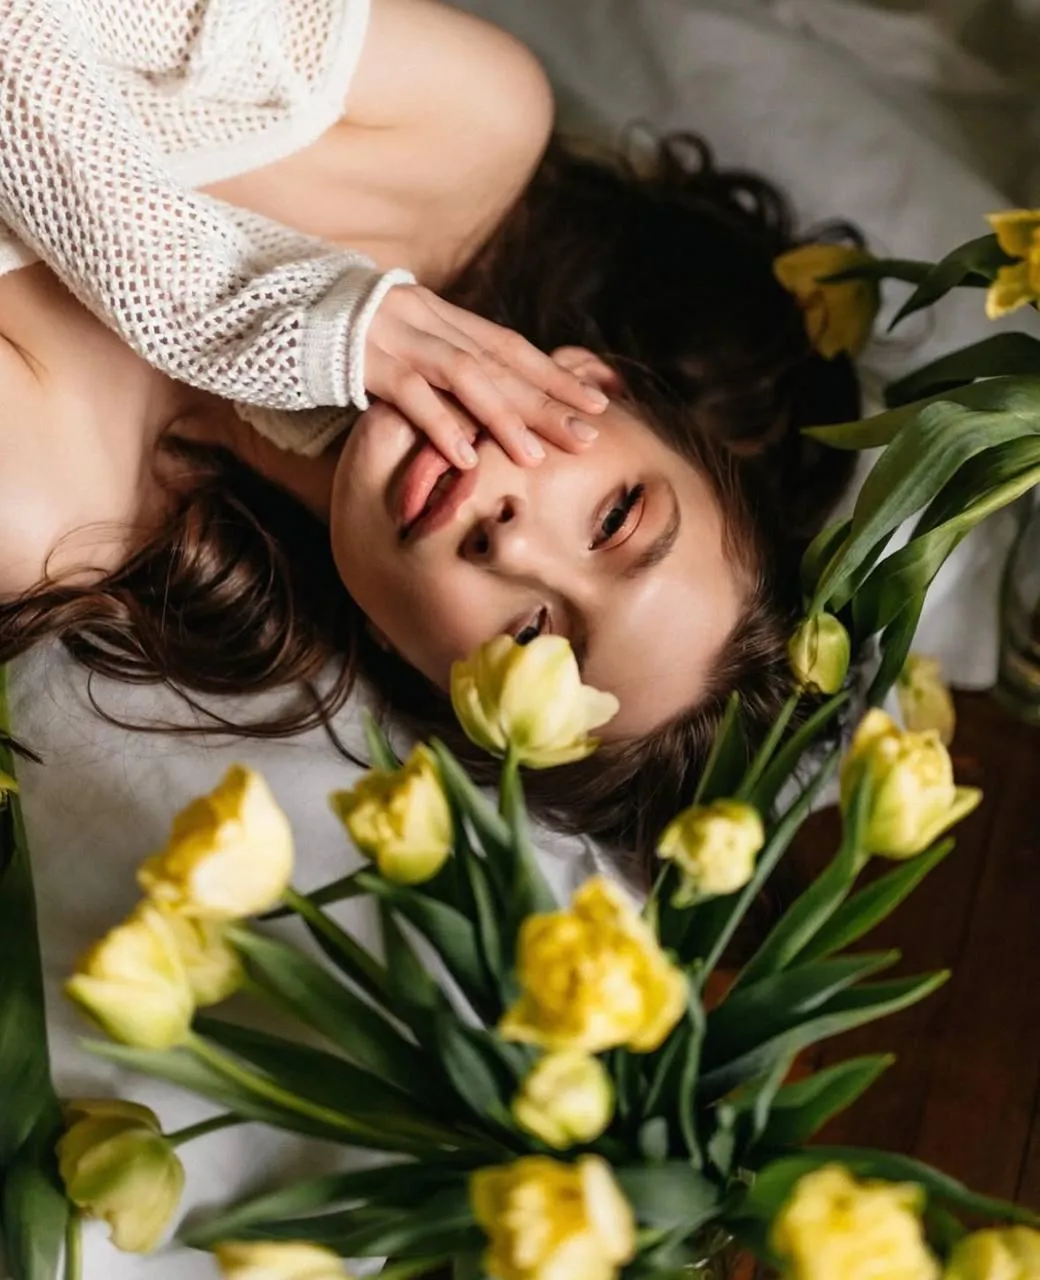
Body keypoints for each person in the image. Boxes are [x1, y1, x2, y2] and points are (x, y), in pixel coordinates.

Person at [0, 0, 858, 867]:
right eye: (614, 521)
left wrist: (273, 326)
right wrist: (248, 306)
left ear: (413, 665)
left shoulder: (43, 520)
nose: (514, 546)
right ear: (599, 383)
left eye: (533, 644)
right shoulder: (464, 128)